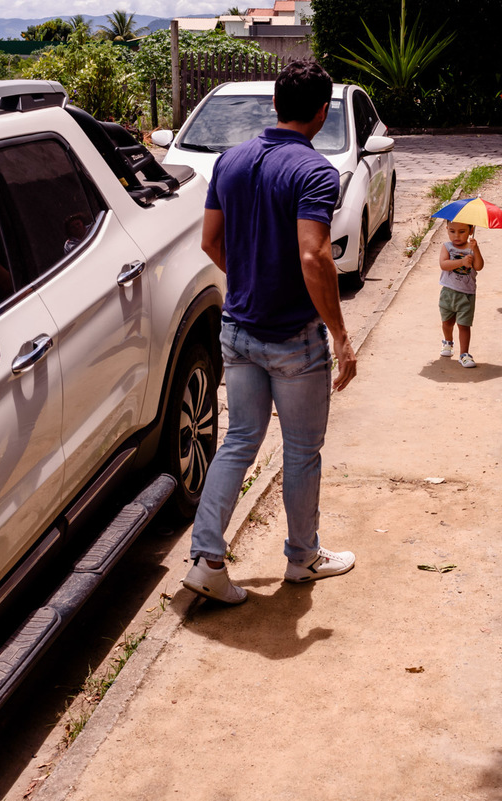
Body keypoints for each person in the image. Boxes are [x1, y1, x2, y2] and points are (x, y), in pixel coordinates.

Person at [181, 59, 358, 605]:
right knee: (302, 451)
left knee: (238, 442)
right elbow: (314, 256)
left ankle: (206, 560)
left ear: (276, 104)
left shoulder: (230, 161)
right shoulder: (314, 172)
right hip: (293, 340)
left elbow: (211, 242)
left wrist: (251, 277)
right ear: (322, 112)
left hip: (237, 330)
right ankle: (303, 558)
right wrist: (342, 336)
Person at [437, 221, 484, 367]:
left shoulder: (472, 248)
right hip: (448, 292)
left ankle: (464, 354)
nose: (456, 236)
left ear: (471, 230)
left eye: (462, 231)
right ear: (447, 230)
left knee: (464, 325)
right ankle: (448, 342)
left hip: (467, 294)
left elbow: (479, 266)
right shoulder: (447, 247)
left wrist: (475, 250)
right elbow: (444, 265)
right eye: (452, 231)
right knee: (447, 322)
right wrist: (462, 262)